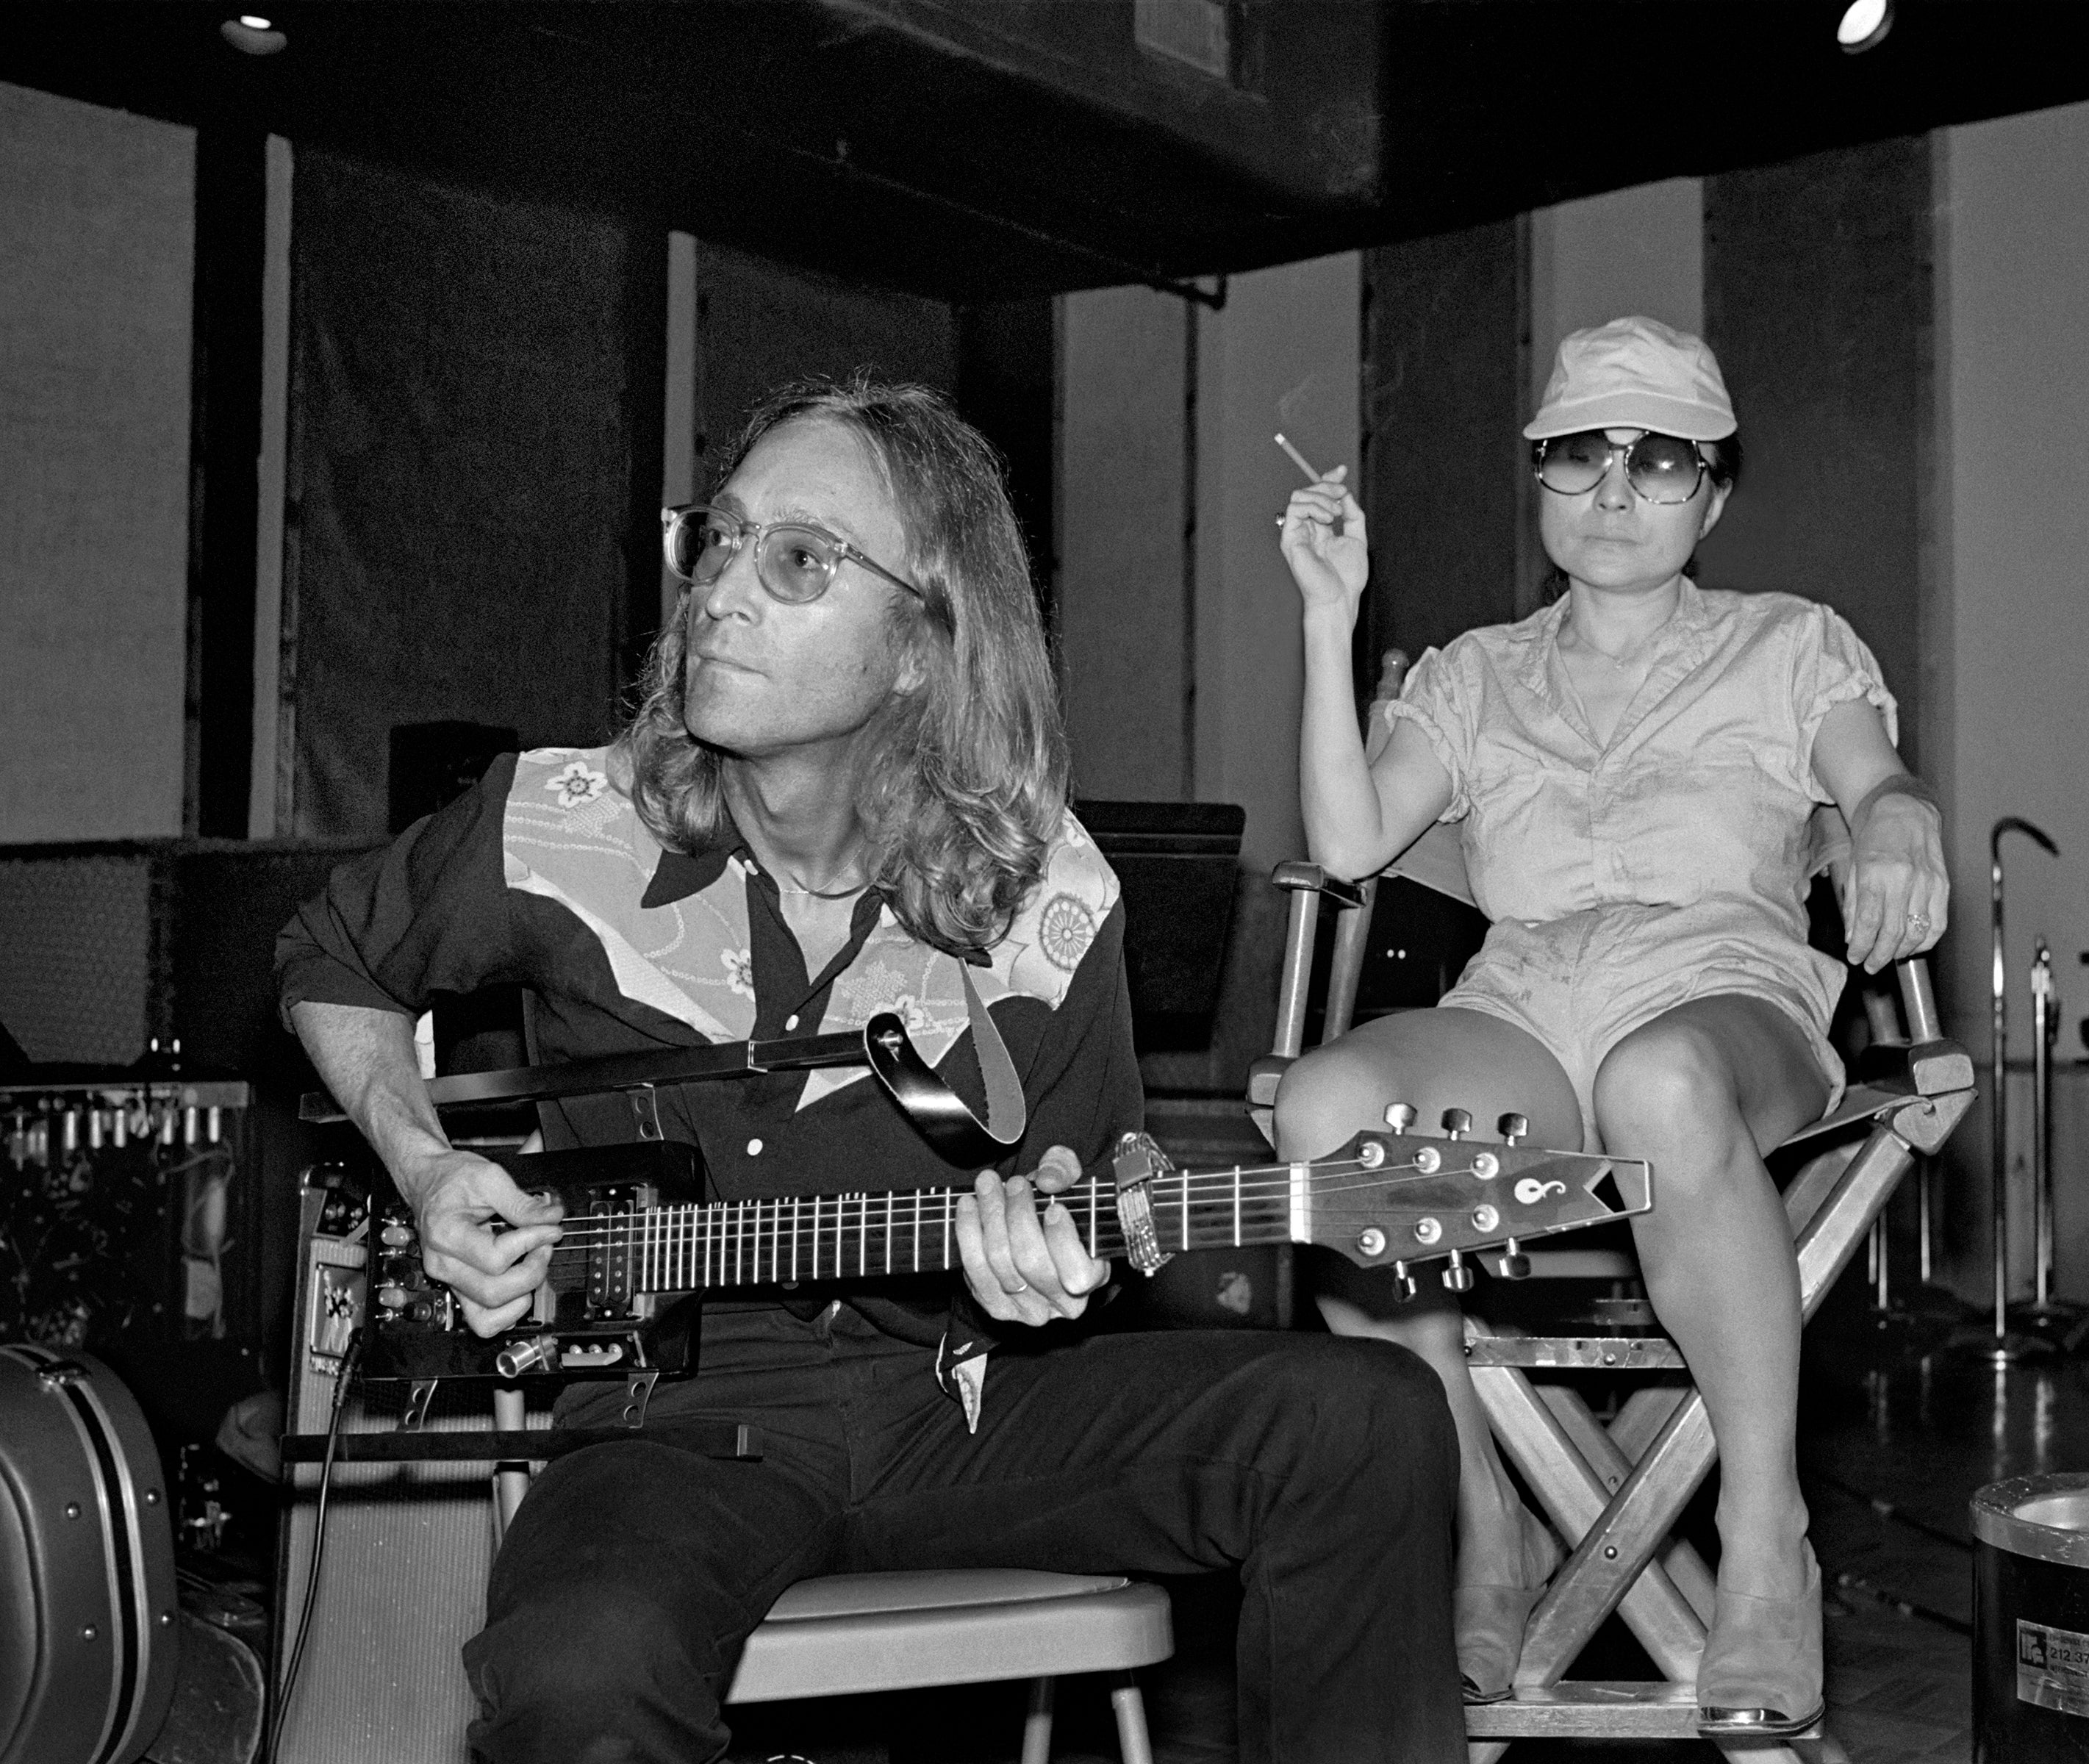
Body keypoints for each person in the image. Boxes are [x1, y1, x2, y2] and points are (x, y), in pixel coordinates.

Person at [279, 376, 1467, 1764]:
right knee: (579, 1670)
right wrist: (423, 1165)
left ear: (922, 647)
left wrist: (1054, 1254)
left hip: (960, 1408)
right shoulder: (564, 821)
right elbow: (329, 962)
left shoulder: (1046, 891)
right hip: (672, 1433)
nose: (720, 590)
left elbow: (1093, 1180)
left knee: (1364, 1417)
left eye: (797, 561)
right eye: (718, 539)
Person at [1272, 317, 1949, 1734]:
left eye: (1662, 460)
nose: (1619, 488)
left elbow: (1876, 782)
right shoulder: (1472, 674)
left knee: (1661, 1082)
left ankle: (1766, 1537)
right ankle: (1483, 1515)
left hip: (1726, 998)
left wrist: (1895, 821)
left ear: (1711, 494)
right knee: (1323, 1119)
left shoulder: (1789, 645)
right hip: (1523, 1008)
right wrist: (1331, 615)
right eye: (1581, 455)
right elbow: (1346, 845)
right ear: (1541, 483)